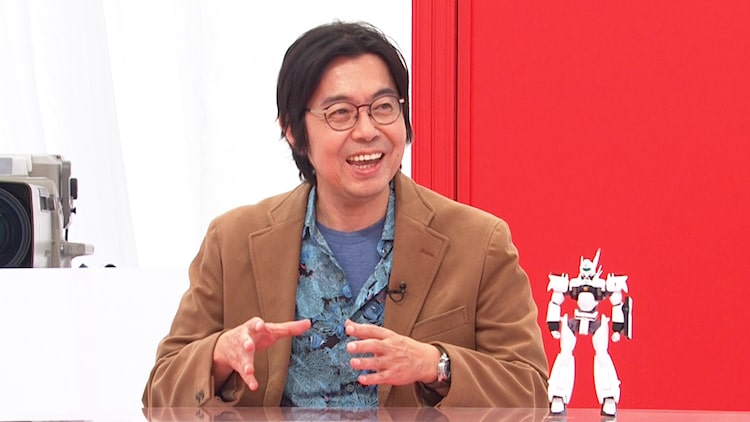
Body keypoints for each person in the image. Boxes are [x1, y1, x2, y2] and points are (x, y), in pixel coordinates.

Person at [142, 20, 548, 408]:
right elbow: (160, 392)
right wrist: (218, 355)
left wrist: (436, 364)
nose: (367, 130)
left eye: (383, 107)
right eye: (340, 113)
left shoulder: (479, 243)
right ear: (293, 131)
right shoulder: (232, 241)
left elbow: (529, 391)